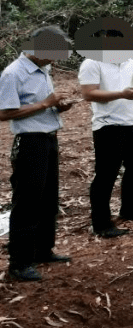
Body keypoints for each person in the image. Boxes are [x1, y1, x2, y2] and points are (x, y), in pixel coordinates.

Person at [0, 26, 77, 281]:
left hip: (49, 138)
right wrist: (46, 103)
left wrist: (59, 107)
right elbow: (4, 113)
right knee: (28, 202)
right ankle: (19, 263)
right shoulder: (13, 74)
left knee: (48, 200)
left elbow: (42, 106)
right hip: (30, 143)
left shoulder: (44, 68)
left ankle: (42, 250)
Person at [76, 18, 133, 239]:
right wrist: (122, 93)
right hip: (108, 125)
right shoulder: (92, 63)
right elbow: (88, 93)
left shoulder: (130, 60)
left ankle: (130, 208)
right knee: (106, 175)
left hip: (132, 121)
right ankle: (101, 223)